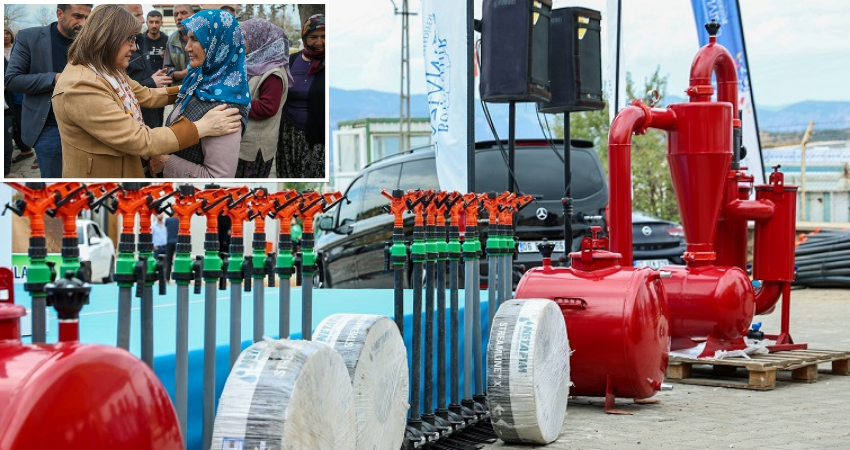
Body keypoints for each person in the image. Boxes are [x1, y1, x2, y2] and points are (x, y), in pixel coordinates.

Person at [50, 4, 243, 178]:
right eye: (129, 40)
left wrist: (189, 88)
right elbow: (139, 138)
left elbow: (144, 94)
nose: (134, 47)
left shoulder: (106, 68)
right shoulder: (81, 86)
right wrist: (200, 128)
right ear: (108, 39)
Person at [149, 9, 251, 178]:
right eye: (188, 38)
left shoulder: (226, 109)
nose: (187, 47)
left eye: (194, 39)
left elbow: (219, 177)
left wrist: (167, 163)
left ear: (218, 44)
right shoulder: (200, 80)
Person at [4, 4, 93, 178]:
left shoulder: (89, 40)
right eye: (77, 16)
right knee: (55, 183)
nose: (83, 23)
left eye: (87, 18)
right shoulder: (29, 37)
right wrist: (55, 78)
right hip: (49, 128)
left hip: (85, 126)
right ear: (60, 14)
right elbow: (12, 79)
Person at [236, 18, 292, 178]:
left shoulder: (272, 73)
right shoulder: (253, 64)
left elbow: (268, 108)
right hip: (243, 140)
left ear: (259, 40)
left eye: (244, 37)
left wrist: (234, 103)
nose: (240, 41)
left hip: (254, 148)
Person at [277, 14, 325, 179]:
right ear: (305, 37)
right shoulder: (291, 61)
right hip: (289, 134)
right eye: (313, 37)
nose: (319, 42)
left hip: (318, 138)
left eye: (324, 37)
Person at [124, 4, 173, 133]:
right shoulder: (116, 50)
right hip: (134, 117)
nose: (142, 21)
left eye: (141, 15)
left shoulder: (141, 40)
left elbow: (143, 73)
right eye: (137, 16)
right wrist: (151, 81)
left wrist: (155, 77)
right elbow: (122, 89)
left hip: (152, 104)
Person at [6, 28, 35, 171]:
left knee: (29, 123)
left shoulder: (20, 50)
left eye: (7, 33)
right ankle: (25, 148)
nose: (5, 36)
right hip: (9, 97)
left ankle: (33, 152)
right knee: (16, 123)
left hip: (23, 95)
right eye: (2, 34)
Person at [143, 10, 170, 127]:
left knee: (159, 115)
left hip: (161, 85)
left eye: (157, 22)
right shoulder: (140, 40)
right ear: (146, 22)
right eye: (151, 22)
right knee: (145, 114)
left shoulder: (167, 40)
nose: (154, 25)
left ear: (161, 23)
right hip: (144, 84)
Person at [162, 4, 194, 87]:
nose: (179, 17)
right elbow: (166, 70)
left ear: (193, 15)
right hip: (179, 90)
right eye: (176, 15)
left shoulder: (204, 37)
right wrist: (182, 74)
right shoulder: (171, 40)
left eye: (183, 13)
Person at [164, 215, 178, 280]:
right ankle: (178, 277)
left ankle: (167, 278)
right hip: (178, 242)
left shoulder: (168, 220)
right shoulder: (179, 220)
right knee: (178, 260)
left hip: (169, 241)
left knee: (168, 261)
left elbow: (166, 229)